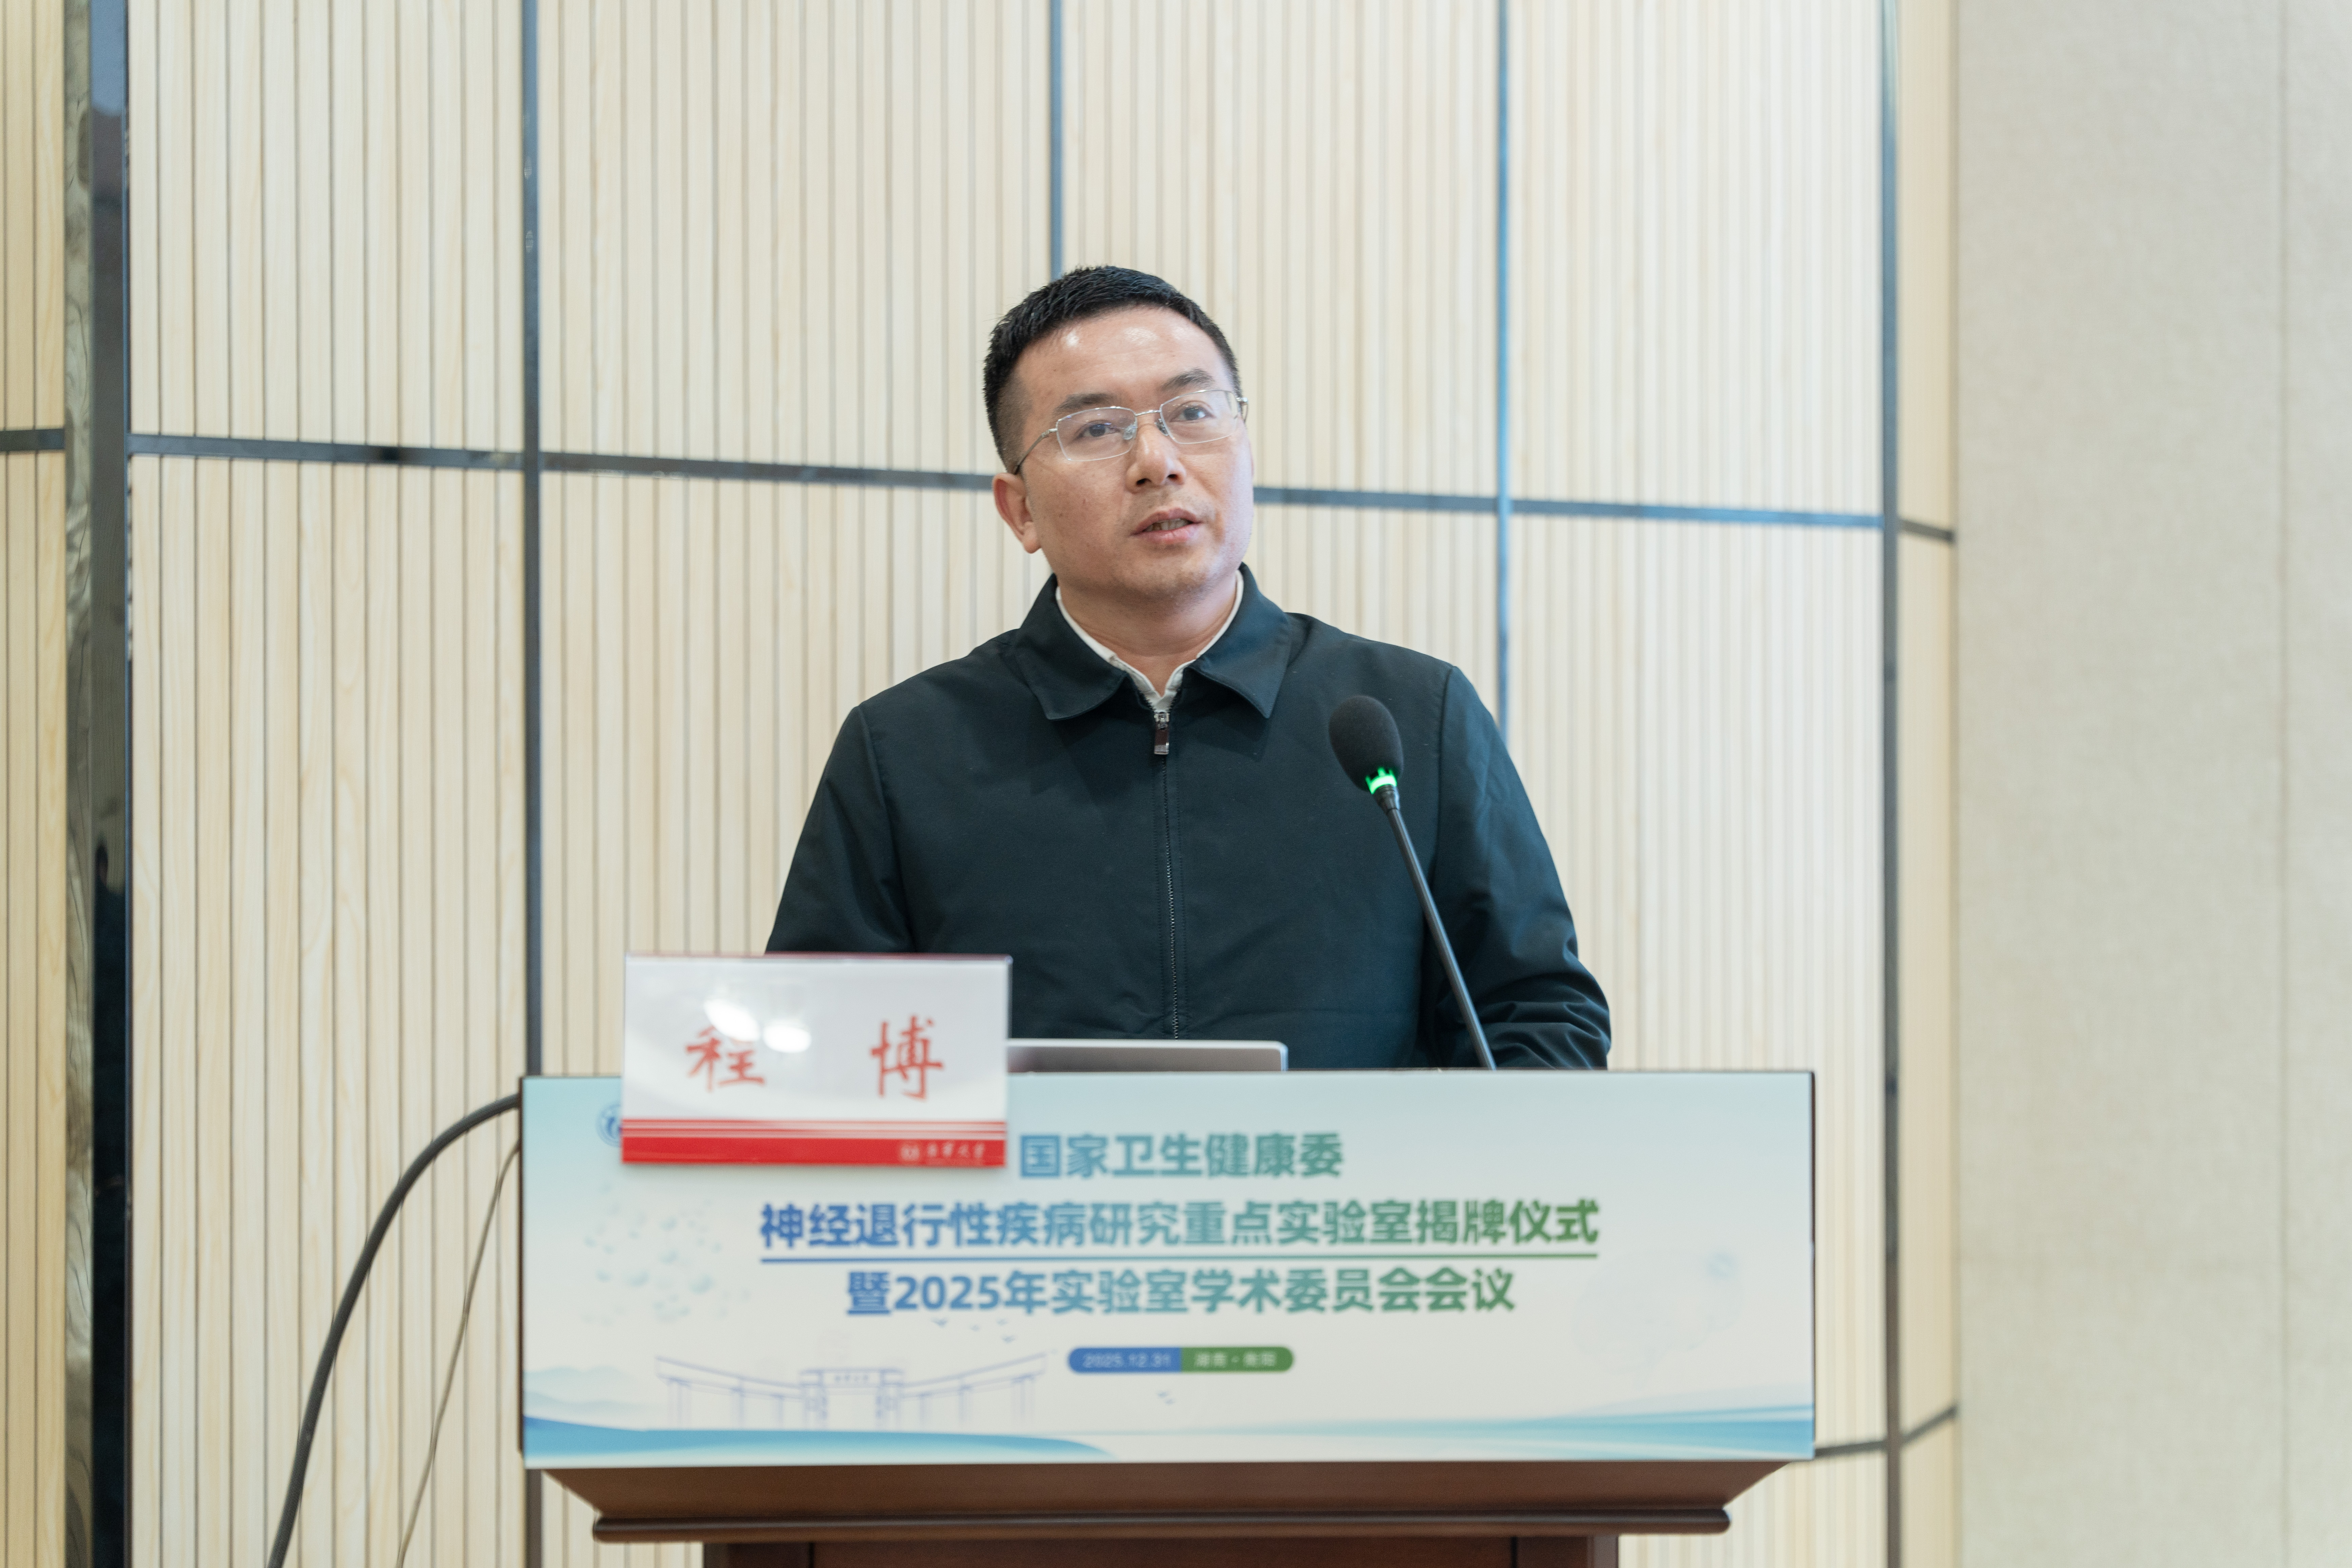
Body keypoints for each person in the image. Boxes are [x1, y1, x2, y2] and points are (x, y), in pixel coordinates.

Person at [767, 266, 1609, 1069]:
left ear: (1245, 449)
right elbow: (820, 1052)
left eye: (1192, 412)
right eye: (1096, 429)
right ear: (1019, 510)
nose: (1156, 460)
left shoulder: (1409, 718)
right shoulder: (905, 751)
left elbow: (1536, 1018)